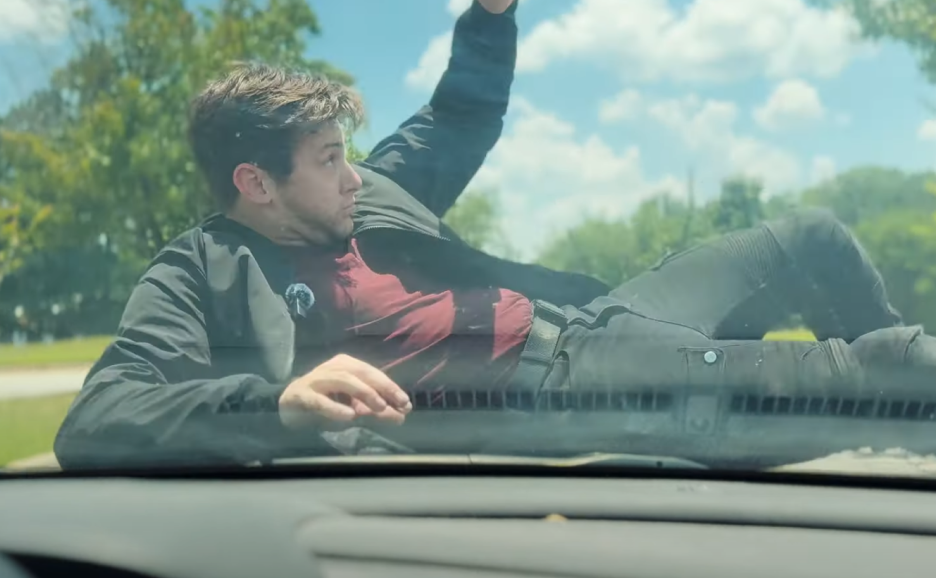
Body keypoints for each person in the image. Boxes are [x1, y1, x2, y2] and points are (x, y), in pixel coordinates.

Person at [54, 0, 936, 470]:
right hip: (561, 387)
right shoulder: (198, 274)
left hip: (593, 318)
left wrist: (491, 10)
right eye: (328, 159)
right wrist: (275, 403)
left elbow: (460, 112)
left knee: (813, 236)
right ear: (255, 183)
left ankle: (876, 447)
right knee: (869, 375)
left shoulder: (375, 194)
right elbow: (100, 417)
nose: (353, 174)